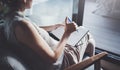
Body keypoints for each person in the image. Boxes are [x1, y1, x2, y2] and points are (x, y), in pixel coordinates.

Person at [0, 0, 95, 70]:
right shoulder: (23, 26)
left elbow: (33, 32)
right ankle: (94, 63)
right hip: (62, 62)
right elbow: (53, 58)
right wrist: (67, 33)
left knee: (84, 39)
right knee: (87, 35)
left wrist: (55, 26)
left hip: (52, 52)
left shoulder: (9, 19)